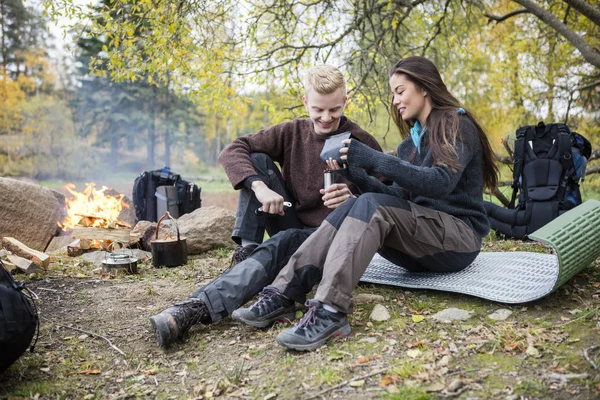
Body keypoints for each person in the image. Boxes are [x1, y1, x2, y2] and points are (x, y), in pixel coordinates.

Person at [233, 56, 500, 351]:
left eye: (401, 91)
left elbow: (440, 182)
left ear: (424, 87)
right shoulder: (410, 144)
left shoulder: (455, 122)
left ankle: (330, 311)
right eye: (393, 93)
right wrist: (356, 176)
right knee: (356, 204)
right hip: (420, 242)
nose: (395, 100)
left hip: (458, 240)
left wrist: (373, 158)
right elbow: (401, 198)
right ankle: (283, 293)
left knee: (372, 205)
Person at [149, 65, 385, 346]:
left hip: (332, 240)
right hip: (291, 221)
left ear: (345, 101)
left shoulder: (362, 142)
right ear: (305, 102)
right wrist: (259, 187)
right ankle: (247, 252)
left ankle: (192, 311)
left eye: (334, 110)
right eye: (318, 109)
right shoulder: (291, 132)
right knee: (257, 161)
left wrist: (353, 199)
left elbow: (386, 201)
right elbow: (232, 150)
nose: (326, 117)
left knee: (283, 242)